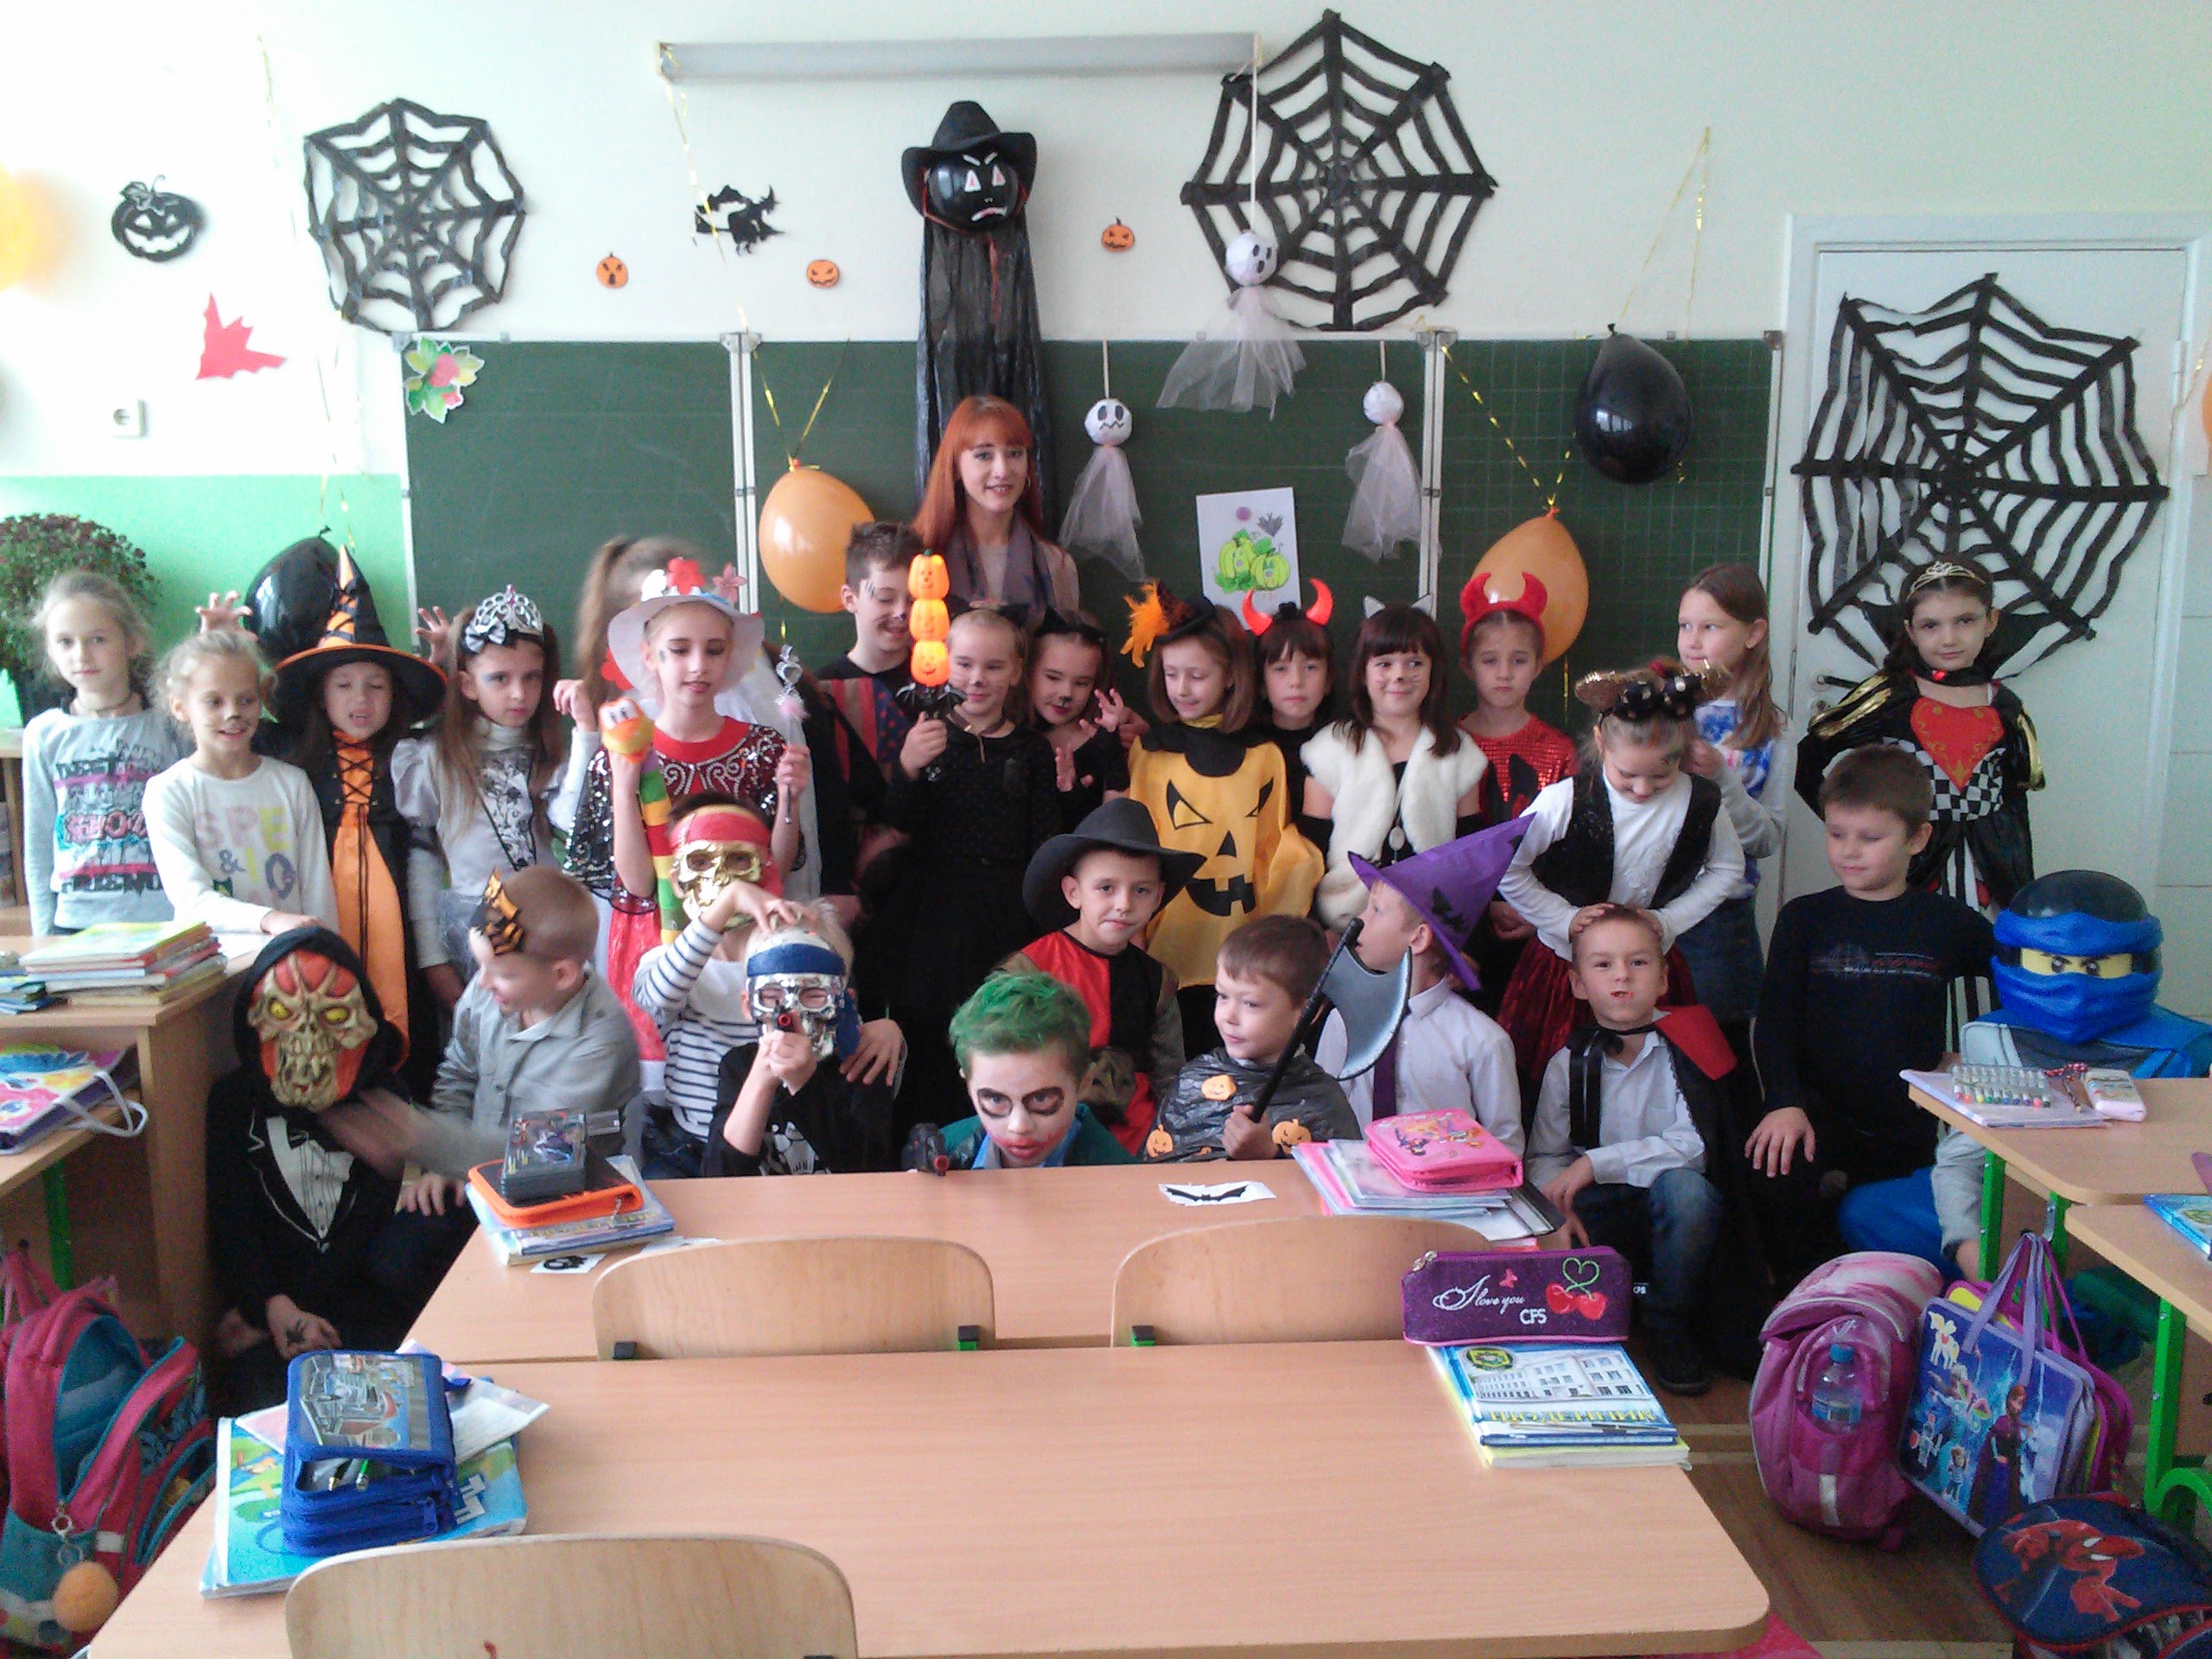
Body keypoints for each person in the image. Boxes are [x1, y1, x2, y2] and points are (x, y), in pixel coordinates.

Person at [1745, 747, 1993, 1287]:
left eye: (1870, 838)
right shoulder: (1805, 918)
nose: (1849, 851)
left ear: (1917, 838)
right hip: (1814, 1115)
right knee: (1773, 1172)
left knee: (1892, 1230)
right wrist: (1783, 1102)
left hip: (1909, 1126)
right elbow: (1776, 1020)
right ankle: (1805, 1303)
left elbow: (2021, 985)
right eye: (1837, 834)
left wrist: (1979, 1063)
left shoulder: (1947, 922)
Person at [205, 927, 470, 1410]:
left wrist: (279, 1316)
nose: (308, 1037)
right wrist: (272, 1307)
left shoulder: (382, 1102)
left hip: (360, 1310)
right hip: (277, 1313)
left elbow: (373, 1239)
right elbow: (232, 1218)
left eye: (332, 1016)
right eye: (283, 1013)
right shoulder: (232, 1103)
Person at [574, 560, 811, 1053]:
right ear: (650, 656)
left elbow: (774, 868)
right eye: (680, 650)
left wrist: (789, 798)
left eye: (714, 650)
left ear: (732, 656)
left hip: (743, 952)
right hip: (658, 950)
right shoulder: (622, 752)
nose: (698, 665)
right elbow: (638, 883)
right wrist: (624, 785)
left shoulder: (762, 747)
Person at [1932, 870, 2212, 1274]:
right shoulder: (1991, 1035)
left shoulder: (2186, 1049)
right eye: (2056, 964)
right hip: (2015, 1203)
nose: (2075, 985)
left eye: (2096, 966)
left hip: (2132, 1225)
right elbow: (1964, 1156)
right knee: (1873, 1211)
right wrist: (1968, 1246)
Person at [1796, 562, 2041, 1020]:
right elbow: (1811, 757)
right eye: (1931, 625)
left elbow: (2014, 797)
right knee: (1903, 956)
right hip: (1909, 861)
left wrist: (2020, 877)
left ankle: (1977, 1047)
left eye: (1964, 621)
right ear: (1910, 630)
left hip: (1987, 868)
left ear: (1990, 621)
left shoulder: (2005, 705)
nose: (1948, 639)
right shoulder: (1890, 695)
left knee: (1986, 963)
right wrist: (1852, 827)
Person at [1495, 665, 1745, 1090]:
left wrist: (1669, 920)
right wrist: (1562, 919)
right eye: (1627, 775)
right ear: (1600, 744)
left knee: (1658, 1083)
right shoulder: (1565, 800)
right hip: (1565, 969)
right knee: (1552, 1082)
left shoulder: (1701, 802)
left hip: (1648, 970)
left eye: (1661, 775)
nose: (1643, 789)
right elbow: (1505, 864)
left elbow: (1728, 868)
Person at [1528, 906, 1733, 1396]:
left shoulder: (1690, 1047)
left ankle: (1668, 1322)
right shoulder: (1568, 1061)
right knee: (1555, 1230)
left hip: (1668, 1202)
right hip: (1598, 1205)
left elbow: (1695, 1147)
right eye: (1603, 965)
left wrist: (1596, 1162)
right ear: (1578, 983)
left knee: (1689, 1195)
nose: (1621, 975)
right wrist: (1556, 1209)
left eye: (1638, 962)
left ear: (1663, 979)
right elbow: (1544, 1157)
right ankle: (1600, 1313)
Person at [266, 550, 448, 1084]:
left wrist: (446, 663)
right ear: (321, 696)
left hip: (404, 920)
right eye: (344, 685)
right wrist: (220, 645)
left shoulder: (413, 757)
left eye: (377, 685)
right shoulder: (291, 756)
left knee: (409, 1012)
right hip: (321, 908)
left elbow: (462, 731)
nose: (361, 699)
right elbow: (221, 726)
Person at [880, 607, 1062, 1128]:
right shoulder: (927, 733)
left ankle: (996, 1129)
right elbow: (901, 819)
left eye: (993, 666)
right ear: (942, 665)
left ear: (1016, 672)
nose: (976, 678)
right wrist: (908, 766)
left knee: (999, 1026)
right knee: (930, 1025)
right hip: (933, 911)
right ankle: (927, 1134)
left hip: (1006, 910)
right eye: (963, 664)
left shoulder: (1031, 750)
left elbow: (1044, 839)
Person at [1124, 586, 1321, 1055]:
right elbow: (1137, 848)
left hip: (1242, 952)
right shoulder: (1150, 753)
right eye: (1171, 674)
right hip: (1168, 944)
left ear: (1231, 675)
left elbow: (1272, 850)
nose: (1182, 689)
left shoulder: (1263, 756)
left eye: (1197, 675)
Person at [413, 868, 641, 1221]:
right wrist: (443, 1167)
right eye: (480, 965)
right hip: (472, 1173)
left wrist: (419, 1139)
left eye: (503, 974)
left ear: (561, 975)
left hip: (560, 1199)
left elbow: (539, 1150)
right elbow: (459, 1073)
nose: (482, 982)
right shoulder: (492, 991)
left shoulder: (601, 1041)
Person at [394, 587, 564, 1002]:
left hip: (552, 930)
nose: (519, 693)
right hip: (477, 937)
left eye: (532, 677)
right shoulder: (436, 759)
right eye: (500, 678)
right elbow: (423, 858)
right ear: (468, 685)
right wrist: (432, 958)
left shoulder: (558, 753)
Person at [1008, 798, 1198, 1156]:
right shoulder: (1028, 971)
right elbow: (997, 1066)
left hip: (1137, 1149)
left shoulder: (1157, 981)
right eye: (1106, 888)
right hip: (1048, 1147)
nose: (1124, 904)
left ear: (1158, 896)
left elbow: (1170, 1077)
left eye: (1141, 890)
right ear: (1073, 892)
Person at [1313, 822, 1524, 1142]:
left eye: (1376, 910)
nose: (1359, 920)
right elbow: (1321, 1119)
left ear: (1419, 937)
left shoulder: (1482, 1042)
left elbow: (1505, 1144)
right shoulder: (1343, 1022)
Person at [628, 796, 802, 1177]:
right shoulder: (665, 962)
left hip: (774, 1147)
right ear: (678, 880)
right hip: (688, 1146)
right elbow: (658, 995)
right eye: (701, 861)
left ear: (762, 869)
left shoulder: (788, 961)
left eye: (738, 859)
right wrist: (725, 906)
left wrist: (880, 1030)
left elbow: (828, 1017)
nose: (723, 877)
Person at [20, 570, 188, 935]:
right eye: (65, 642)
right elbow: (38, 845)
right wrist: (43, 935)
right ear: (50, 650)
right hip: (75, 923)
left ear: (131, 641)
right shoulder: (43, 735)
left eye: (97, 639)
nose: (81, 655)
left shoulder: (168, 724)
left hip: (162, 918)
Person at [1302, 602, 1487, 928]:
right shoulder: (1331, 747)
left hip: (1429, 920)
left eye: (1415, 663)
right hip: (1347, 920)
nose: (1399, 675)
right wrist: (1317, 930)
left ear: (1432, 672)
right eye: (1384, 664)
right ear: (1363, 672)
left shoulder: (1458, 751)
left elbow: (1469, 850)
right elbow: (1310, 849)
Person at [1675, 564, 1795, 1055]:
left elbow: (1767, 839)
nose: (1692, 641)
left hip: (1720, 922)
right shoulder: (1659, 708)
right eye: (1685, 625)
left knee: (1721, 1059)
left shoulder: (1771, 731)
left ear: (1753, 633)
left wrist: (1722, 780)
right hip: (1648, 906)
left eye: (1710, 626)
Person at [145, 628, 336, 937]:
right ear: (180, 707)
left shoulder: (292, 784)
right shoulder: (169, 792)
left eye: (246, 699)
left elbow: (318, 893)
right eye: (214, 702)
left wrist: (326, 949)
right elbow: (191, 898)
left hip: (290, 959)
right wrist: (270, 919)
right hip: (214, 961)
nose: (233, 713)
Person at [1455, 569, 1577, 1015]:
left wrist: (1535, 909)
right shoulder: (1448, 744)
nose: (1504, 674)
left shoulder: (1559, 750)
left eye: (1519, 660)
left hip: (1537, 930)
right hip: (1462, 926)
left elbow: (1571, 846)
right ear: (1469, 666)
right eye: (1490, 661)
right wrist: (1483, 905)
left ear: (1539, 666)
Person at [1146, 914, 1357, 1161]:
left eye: (1250, 1004)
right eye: (1223, 996)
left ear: (1305, 1012)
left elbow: (1338, 1179)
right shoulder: (1194, 1080)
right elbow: (1153, 1173)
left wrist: (1268, 1156)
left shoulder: (1323, 1102)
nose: (1229, 1016)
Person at [707, 908, 900, 1176]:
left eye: (813, 994)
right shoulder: (739, 1066)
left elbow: (868, 1169)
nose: (790, 1012)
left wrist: (805, 1083)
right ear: (749, 1005)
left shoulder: (862, 1063)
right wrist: (760, 1083)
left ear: (843, 1001)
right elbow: (718, 1176)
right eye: (771, 996)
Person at [912, 393, 1079, 626]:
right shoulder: (921, 560)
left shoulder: (1058, 566)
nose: (1002, 471)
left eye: (1014, 453)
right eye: (984, 455)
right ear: (956, 467)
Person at [940, 970, 1134, 1168]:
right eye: (996, 1100)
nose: (1019, 1126)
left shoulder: (1121, 1176)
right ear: (968, 1083)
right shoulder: (944, 1149)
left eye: (1041, 1099)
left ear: (1083, 1082)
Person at [815, 519, 922, 779]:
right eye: (885, 599)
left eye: (912, 599)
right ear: (850, 599)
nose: (901, 612)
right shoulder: (822, 690)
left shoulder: (936, 684)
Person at [1028, 609, 1132, 827]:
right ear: (1027, 671)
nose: (1066, 693)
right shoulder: (1012, 738)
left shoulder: (1102, 747)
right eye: (1053, 677)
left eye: (1081, 683)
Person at [1247, 588, 1336, 814]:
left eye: (1310, 667)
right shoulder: (1246, 750)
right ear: (1262, 683)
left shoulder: (1343, 745)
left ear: (1328, 680)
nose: (1296, 681)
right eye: (1281, 669)